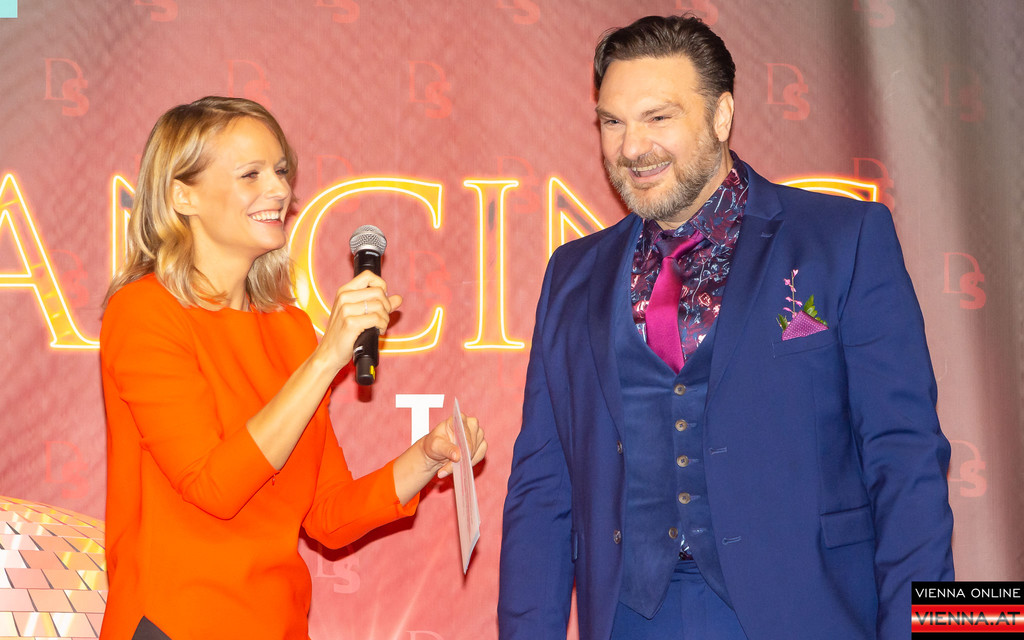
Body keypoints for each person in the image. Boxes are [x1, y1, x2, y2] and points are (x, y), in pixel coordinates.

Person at [498, 15, 953, 640]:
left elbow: (906, 460)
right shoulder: (572, 275)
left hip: (810, 616)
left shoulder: (843, 239)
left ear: (721, 116)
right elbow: (541, 490)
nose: (631, 148)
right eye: (612, 122)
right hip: (632, 619)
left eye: (658, 117)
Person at [99, 96, 486, 640]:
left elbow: (328, 515)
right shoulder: (144, 311)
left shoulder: (289, 328)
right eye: (251, 174)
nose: (279, 190)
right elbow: (214, 487)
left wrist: (426, 457)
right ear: (183, 195)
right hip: (173, 624)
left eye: (280, 171)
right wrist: (327, 358)